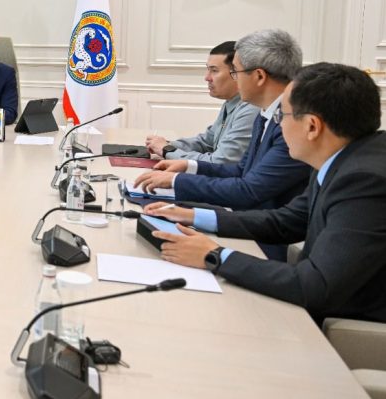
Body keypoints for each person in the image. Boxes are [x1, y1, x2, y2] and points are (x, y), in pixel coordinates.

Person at [146, 63, 386, 324]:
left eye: (282, 115)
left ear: (312, 126)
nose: (278, 125)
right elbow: (286, 221)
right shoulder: (344, 158)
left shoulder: (364, 181)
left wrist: (215, 255)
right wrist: (195, 216)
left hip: (347, 327)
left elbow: (315, 286)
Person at [135, 29, 313, 260]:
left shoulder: (290, 123)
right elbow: (240, 170)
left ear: (259, 76)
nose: (234, 79)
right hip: (241, 221)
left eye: (235, 72)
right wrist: (188, 167)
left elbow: (249, 190)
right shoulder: (266, 114)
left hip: (260, 239)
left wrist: (179, 181)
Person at [145, 41, 256, 164]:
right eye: (208, 70)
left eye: (214, 70)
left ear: (236, 73)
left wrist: (167, 150)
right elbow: (207, 142)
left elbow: (220, 162)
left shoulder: (250, 110)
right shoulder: (231, 103)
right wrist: (168, 145)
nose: (207, 77)